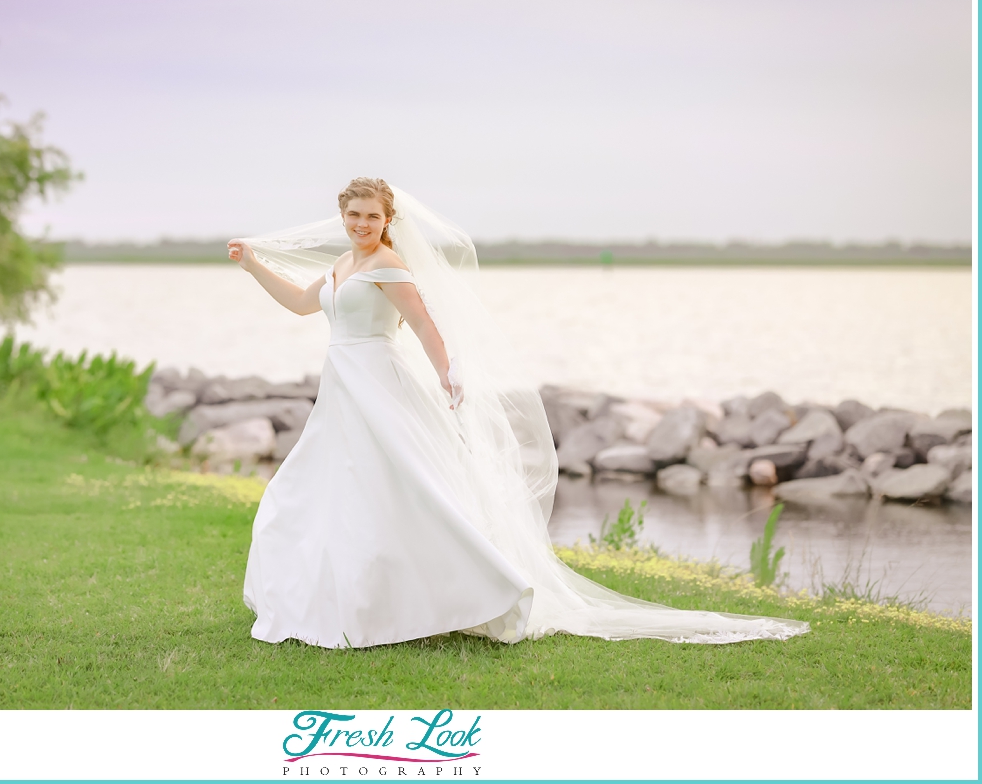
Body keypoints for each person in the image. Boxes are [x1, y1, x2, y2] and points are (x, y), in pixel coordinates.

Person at [226, 178, 808, 649]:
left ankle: (476, 587)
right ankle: (349, 599)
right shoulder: (340, 265)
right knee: (326, 489)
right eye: (353, 216)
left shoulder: (388, 265)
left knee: (406, 485)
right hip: (341, 388)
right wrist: (253, 265)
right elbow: (305, 306)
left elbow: (426, 325)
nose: (361, 225)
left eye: (371, 217)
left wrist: (448, 373)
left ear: (387, 220)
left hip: (379, 383)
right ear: (342, 217)